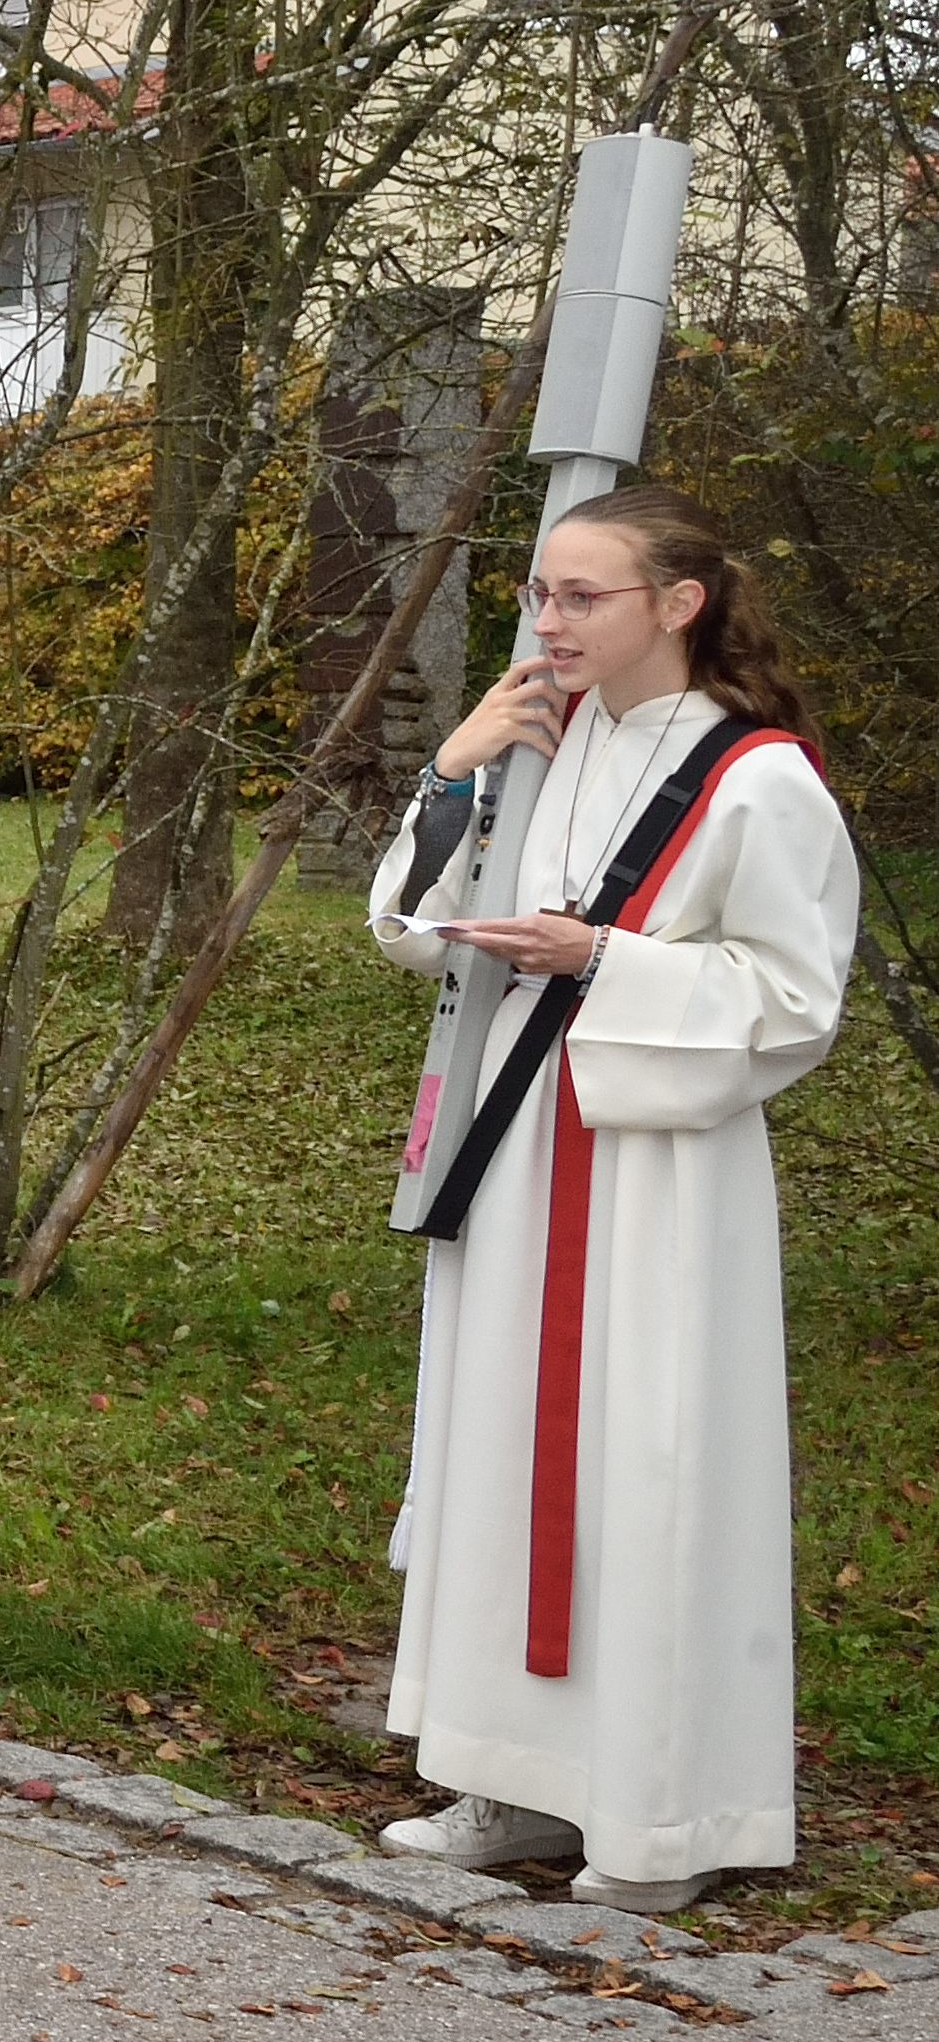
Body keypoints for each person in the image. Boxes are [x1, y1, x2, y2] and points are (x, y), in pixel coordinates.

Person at [361, 485, 854, 1914]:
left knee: (642, 1461)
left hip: (652, 1170)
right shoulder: (535, 739)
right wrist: (454, 779)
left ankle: (658, 1814)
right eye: (540, 595)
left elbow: (791, 1001)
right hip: (517, 1152)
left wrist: (603, 962)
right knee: (497, 1446)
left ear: (678, 604)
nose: (550, 622)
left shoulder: (758, 777)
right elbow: (408, 930)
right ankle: (505, 1779)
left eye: (583, 596)